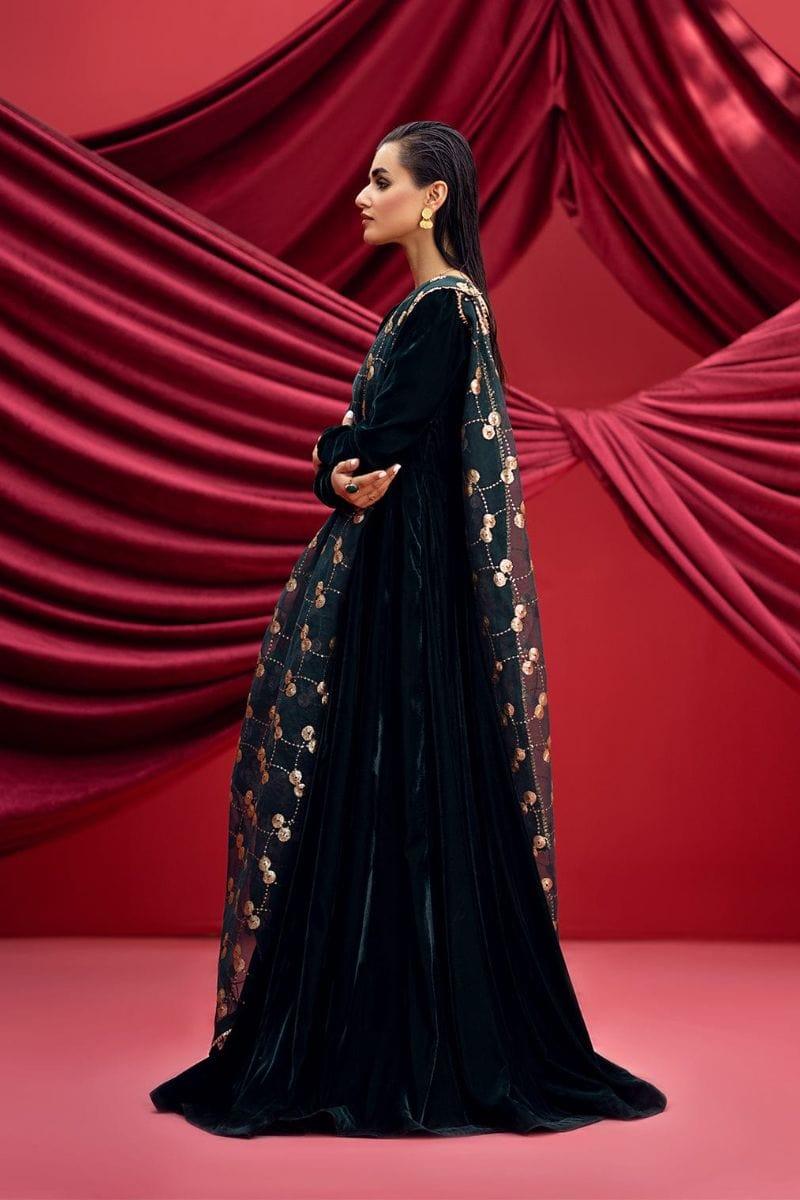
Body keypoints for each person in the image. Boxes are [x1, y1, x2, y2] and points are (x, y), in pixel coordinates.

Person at [149, 121, 667, 1137]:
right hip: (399, 578)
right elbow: (352, 460)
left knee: (402, 783)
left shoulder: (444, 311)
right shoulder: (422, 310)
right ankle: (383, 1018)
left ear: (431, 199)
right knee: (385, 788)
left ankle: (403, 1036)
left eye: (381, 179)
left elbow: (373, 445)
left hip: (410, 588)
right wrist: (334, 464)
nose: (361, 193)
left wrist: (334, 457)